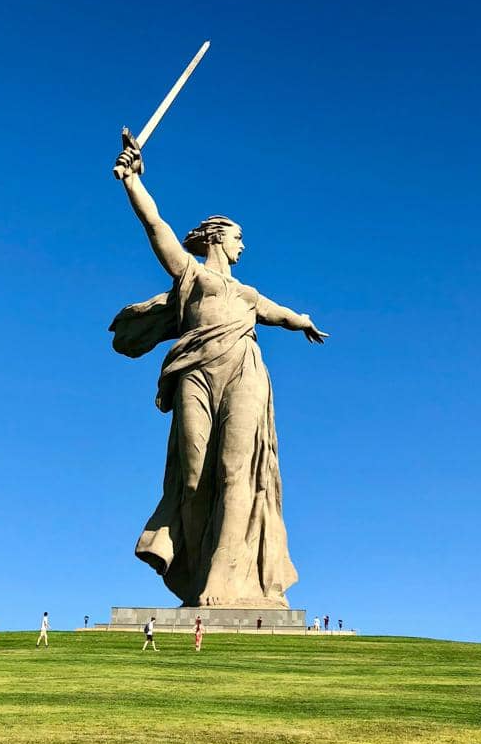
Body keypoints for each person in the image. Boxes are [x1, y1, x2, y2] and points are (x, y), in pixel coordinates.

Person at [112, 134, 328, 608]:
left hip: (244, 370)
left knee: (236, 472)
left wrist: (304, 321)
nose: (243, 246)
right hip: (195, 371)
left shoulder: (247, 295)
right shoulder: (192, 275)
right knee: (192, 477)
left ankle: (225, 580)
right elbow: (156, 226)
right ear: (215, 238)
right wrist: (132, 182)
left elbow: (280, 313)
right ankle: (194, 572)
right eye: (238, 237)